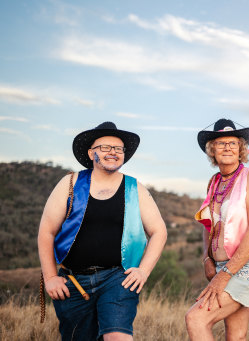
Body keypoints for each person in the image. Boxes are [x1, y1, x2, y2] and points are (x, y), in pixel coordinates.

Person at [38, 121, 167, 341]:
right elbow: (46, 232)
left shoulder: (135, 188)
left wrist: (143, 271)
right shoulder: (70, 183)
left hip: (117, 277)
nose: (113, 153)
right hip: (73, 282)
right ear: (91, 153)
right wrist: (50, 277)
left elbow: (159, 231)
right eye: (105, 147)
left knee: (117, 336)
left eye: (118, 149)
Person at [186, 119, 249, 341]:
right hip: (222, 265)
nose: (227, 147)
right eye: (221, 143)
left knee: (196, 318)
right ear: (212, 150)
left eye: (233, 143)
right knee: (236, 336)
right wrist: (207, 259)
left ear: (241, 149)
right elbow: (209, 225)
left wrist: (225, 274)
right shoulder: (214, 182)